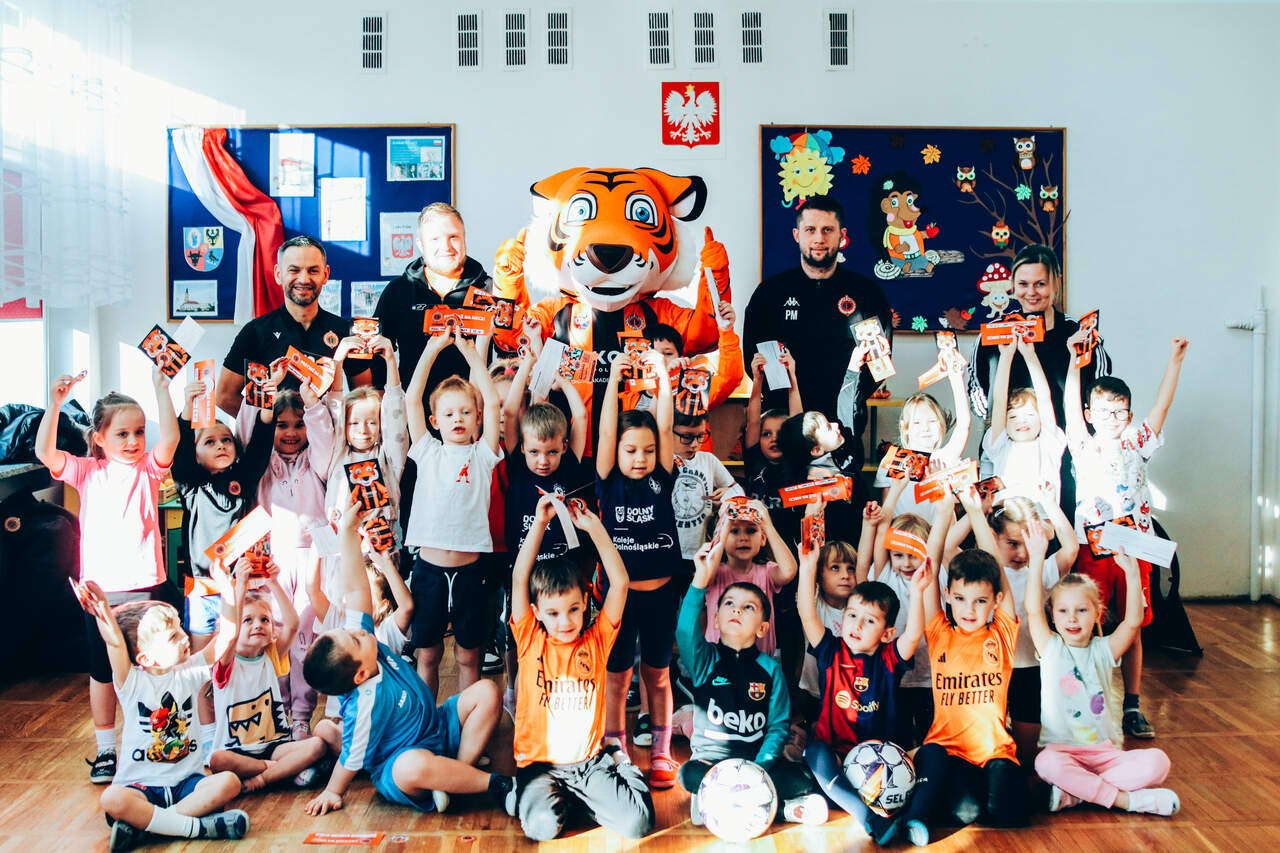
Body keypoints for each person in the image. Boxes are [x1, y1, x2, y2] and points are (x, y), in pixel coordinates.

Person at [302, 498, 512, 818]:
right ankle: (491, 784)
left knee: (487, 691)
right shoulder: (362, 703)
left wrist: (348, 532)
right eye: (355, 638)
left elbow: (356, 591)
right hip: (400, 761)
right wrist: (332, 791)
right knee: (411, 767)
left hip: (439, 727)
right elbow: (350, 757)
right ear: (360, 675)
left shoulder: (364, 646)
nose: (358, 631)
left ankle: (456, 773)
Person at [36, 369, 180, 784]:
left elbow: (170, 439)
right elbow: (45, 452)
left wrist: (161, 388)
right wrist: (55, 403)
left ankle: (158, 739)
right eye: (122, 434)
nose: (133, 441)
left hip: (146, 588)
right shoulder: (86, 471)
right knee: (102, 671)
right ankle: (105, 750)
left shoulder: (149, 469)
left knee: (151, 667)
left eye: (139, 432)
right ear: (99, 437)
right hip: (100, 594)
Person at [1064, 335, 1188, 739]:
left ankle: (1132, 706)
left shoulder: (1137, 442)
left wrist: (1175, 359)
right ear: (1090, 414)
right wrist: (1074, 362)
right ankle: (1089, 701)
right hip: (1093, 549)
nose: (1111, 418)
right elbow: (1069, 407)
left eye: (1119, 411)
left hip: (1134, 550)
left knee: (1132, 625)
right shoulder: (1083, 444)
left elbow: (1162, 406)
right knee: (1089, 625)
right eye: (1103, 411)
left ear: (1129, 414)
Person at [508, 496, 655, 841]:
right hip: (540, 767)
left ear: (585, 603)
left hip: (589, 765)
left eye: (574, 609)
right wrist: (540, 523)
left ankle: (618, 762)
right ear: (537, 612)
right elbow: (519, 578)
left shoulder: (597, 640)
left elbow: (620, 582)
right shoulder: (529, 639)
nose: (565, 621)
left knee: (639, 823)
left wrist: (594, 526)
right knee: (541, 827)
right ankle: (541, 797)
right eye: (554, 613)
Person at [72, 569, 249, 851]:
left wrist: (228, 592)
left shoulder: (190, 670)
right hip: (140, 789)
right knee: (112, 799)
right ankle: (195, 828)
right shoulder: (131, 682)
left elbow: (227, 637)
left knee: (229, 782)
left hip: (187, 785)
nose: (184, 637)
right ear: (145, 657)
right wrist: (103, 608)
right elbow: (114, 642)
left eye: (180, 628)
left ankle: (149, 828)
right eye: (173, 636)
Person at [891, 488, 1025, 846]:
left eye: (980, 601)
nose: (969, 609)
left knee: (1008, 814)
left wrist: (975, 513)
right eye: (961, 599)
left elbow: (997, 569)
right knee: (967, 812)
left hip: (995, 753)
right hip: (949, 752)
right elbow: (931, 563)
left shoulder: (1002, 633)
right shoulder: (940, 632)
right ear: (948, 595)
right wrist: (942, 513)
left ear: (996, 600)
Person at [799, 501, 933, 841]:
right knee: (814, 752)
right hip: (839, 757)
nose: (856, 625)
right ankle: (868, 818)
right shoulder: (831, 650)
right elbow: (806, 611)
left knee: (934, 752)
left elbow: (914, 634)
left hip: (887, 762)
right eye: (852, 616)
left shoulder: (889, 658)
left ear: (887, 633)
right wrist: (808, 567)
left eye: (869, 621)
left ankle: (915, 817)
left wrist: (918, 592)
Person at [1023, 528, 1179, 816]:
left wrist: (1132, 574)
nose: (1072, 618)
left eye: (1082, 610)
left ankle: (1076, 794)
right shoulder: (1051, 648)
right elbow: (1032, 610)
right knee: (1045, 764)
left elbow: (1132, 623)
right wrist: (1036, 558)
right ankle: (1126, 801)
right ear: (1052, 615)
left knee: (1159, 763)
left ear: (1098, 613)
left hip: (1105, 754)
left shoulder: (1104, 650)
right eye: (1063, 611)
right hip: (1062, 752)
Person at [679, 536, 827, 829]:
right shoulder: (704, 660)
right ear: (716, 620)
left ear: (762, 628)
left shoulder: (770, 669)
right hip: (713, 764)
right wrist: (699, 580)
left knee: (802, 780)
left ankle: (717, 804)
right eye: (729, 604)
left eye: (748, 607)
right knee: (687, 774)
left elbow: (777, 726)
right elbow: (684, 629)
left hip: (756, 762)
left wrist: (760, 767)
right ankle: (782, 810)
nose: (736, 610)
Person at [742, 195, 893, 469]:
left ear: (842, 235)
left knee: (842, 496)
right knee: (783, 496)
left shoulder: (867, 294)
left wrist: (849, 402)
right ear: (797, 235)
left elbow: (879, 365)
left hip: (841, 429)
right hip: (784, 428)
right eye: (810, 230)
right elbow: (752, 361)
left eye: (827, 230)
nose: (819, 238)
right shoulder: (770, 294)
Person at [965, 243, 1112, 514]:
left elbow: (1101, 392)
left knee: (1064, 527)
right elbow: (980, 401)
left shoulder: (1078, 333)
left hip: (1065, 456)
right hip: (1006, 458)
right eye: (1023, 284)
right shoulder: (993, 335)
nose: (1031, 292)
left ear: (1056, 283)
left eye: (1040, 284)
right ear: (1012, 285)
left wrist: (1084, 440)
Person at [595, 349, 681, 788]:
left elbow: (663, 426)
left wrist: (661, 375)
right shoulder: (608, 479)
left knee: (658, 675)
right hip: (620, 598)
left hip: (661, 595)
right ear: (617, 451)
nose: (641, 457)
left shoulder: (661, 476)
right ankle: (616, 746)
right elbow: (607, 429)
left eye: (647, 451)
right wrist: (614, 380)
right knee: (617, 676)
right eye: (631, 450)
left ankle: (662, 751)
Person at [403, 327, 504, 695]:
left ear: (477, 419)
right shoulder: (427, 451)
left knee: (468, 657)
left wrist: (471, 352)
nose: (458, 418)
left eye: (465, 412)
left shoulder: (484, 455)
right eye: (448, 413)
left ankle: (466, 723)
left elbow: (491, 401)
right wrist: (432, 349)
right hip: (428, 572)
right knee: (427, 655)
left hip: (470, 574)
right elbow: (412, 399)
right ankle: (425, 722)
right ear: (435, 421)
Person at [252, 381, 335, 738]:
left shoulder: (316, 461)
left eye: (298, 424)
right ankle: (279, 711)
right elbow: (251, 430)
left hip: (312, 561)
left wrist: (314, 407)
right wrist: (263, 395)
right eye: (281, 425)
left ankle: (301, 714)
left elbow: (324, 437)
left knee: (305, 639)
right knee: (275, 636)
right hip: (273, 562)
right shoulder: (263, 463)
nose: (290, 432)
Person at [172, 379, 274, 650]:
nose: (221, 445)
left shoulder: (243, 477)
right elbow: (180, 454)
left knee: (239, 650)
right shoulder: (191, 485)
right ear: (196, 455)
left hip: (241, 584)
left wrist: (268, 404)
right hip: (203, 587)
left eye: (226, 440)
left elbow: (260, 446)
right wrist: (187, 409)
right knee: (203, 654)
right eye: (210, 441)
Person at [216, 236, 369, 417]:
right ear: (278, 274)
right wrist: (268, 426)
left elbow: (365, 398)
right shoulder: (255, 331)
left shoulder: (345, 332)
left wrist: (333, 427)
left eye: (313, 271)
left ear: (325, 274)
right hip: (273, 435)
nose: (304, 279)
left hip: (327, 434)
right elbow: (225, 397)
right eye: (294, 270)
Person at [208, 560, 327, 791]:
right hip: (236, 751)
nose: (258, 625)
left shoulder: (270, 656)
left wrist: (273, 583)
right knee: (217, 760)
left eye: (265, 620)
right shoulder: (226, 661)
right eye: (248, 620)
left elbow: (292, 625)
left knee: (317, 746)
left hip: (274, 746)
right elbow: (231, 634)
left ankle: (261, 779)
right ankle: (280, 770)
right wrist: (240, 585)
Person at [373, 203, 500, 399]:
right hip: (414, 411)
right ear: (420, 244)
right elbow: (378, 354)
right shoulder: (398, 290)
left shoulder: (490, 289)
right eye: (435, 239)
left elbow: (509, 356)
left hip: (474, 411)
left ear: (464, 238)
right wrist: (385, 405)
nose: (446, 247)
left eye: (453, 237)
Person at [698, 499, 797, 657]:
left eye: (751, 531)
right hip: (720, 662)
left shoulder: (766, 571)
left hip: (760, 662)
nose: (743, 538)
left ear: (763, 538)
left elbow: (789, 571)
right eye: (734, 531)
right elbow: (707, 571)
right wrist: (724, 523)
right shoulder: (715, 572)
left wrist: (768, 526)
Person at [981, 335, 1068, 505]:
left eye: (1030, 414)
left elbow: (1044, 399)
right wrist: (1005, 356)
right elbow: (999, 403)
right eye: (1013, 416)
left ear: (1041, 419)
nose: (1022, 421)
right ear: (1005, 423)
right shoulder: (1000, 446)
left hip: (1042, 517)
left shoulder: (1048, 445)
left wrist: (1030, 355)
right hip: (1006, 517)